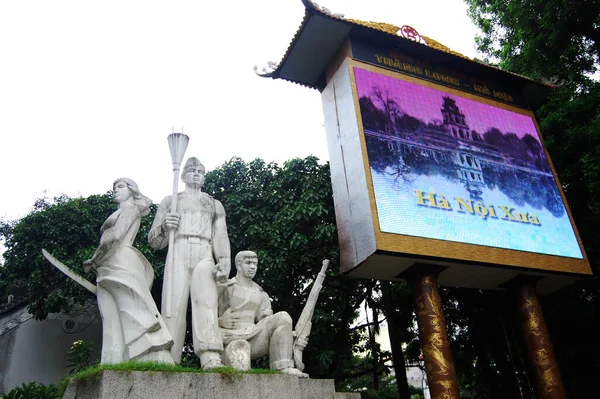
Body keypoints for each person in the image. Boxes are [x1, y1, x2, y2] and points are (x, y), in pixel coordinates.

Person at [148, 157, 231, 368]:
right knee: (172, 305)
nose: (196, 173)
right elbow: (154, 242)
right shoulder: (171, 201)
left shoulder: (214, 204)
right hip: (178, 250)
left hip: (204, 251)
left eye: (201, 171)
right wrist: (166, 226)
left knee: (207, 303)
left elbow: (220, 235)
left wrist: (224, 260)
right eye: (192, 170)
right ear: (183, 175)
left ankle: (210, 355)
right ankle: (169, 354)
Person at [84, 178, 174, 364]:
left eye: (120, 186)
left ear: (132, 190)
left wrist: (95, 259)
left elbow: (115, 237)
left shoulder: (130, 209)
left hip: (120, 260)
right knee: (110, 314)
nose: (115, 190)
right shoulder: (120, 211)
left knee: (132, 309)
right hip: (108, 262)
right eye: (114, 188)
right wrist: (98, 261)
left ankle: (152, 355)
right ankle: (111, 359)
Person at [218, 250, 307, 377]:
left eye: (255, 263)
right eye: (248, 263)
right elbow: (204, 318)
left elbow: (268, 323)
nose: (253, 267)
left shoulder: (261, 293)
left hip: (255, 337)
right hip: (231, 337)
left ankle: (283, 367)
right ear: (238, 265)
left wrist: (292, 337)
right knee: (239, 370)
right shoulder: (225, 288)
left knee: (283, 317)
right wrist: (219, 321)